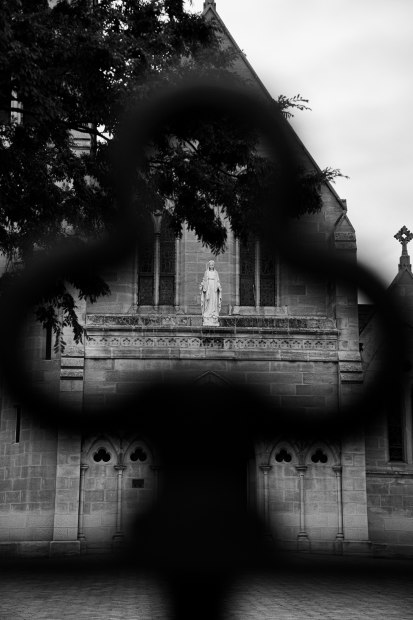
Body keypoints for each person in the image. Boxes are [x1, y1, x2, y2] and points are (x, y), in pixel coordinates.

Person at [199, 260, 222, 326]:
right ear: (209, 266)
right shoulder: (206, 272)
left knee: (214, 301)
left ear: (213, 266)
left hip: (214, 288)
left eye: (212, 265)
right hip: (208, 287)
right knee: (207, 301)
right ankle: (207, 314)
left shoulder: (216, 273)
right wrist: (202, 285)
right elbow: (204, 280)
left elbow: (217, 281)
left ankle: (213, 314)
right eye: (210, 265)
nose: (211, 266)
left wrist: (219, 286)